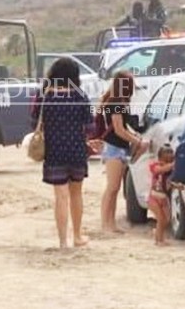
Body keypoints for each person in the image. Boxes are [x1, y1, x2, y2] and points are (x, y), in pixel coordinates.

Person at [31, 57, 93, 248]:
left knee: (61, 197)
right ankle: (77, 236)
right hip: (76, 150)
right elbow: (90, 126)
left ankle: (62, 242)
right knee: (76, 194)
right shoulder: (80, 96)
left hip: (54, 151)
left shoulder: (45, 96)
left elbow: (34, 122)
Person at [99, 70, 147, 234]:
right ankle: (106, 223)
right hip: (114, 148)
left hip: (117, 147)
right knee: (112, 188)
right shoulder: (116, 103)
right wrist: (137, 141)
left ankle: (110, 223)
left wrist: (134, 137)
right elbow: (119, 130)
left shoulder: (117, 101)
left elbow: (122, 128)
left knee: (114, 188)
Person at [148, 144, 176, 246]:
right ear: (159, 157)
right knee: (160, 218)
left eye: (171, 152)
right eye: (166, 152)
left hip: (164, 199)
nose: (169, 154)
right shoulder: (155, 166)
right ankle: (158, 240)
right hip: (153, 198)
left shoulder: (171, 172)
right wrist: (172, 165)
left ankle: (159, 235)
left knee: (166, 219)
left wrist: (177, 186)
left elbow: (170, 183)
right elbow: (159, 170)